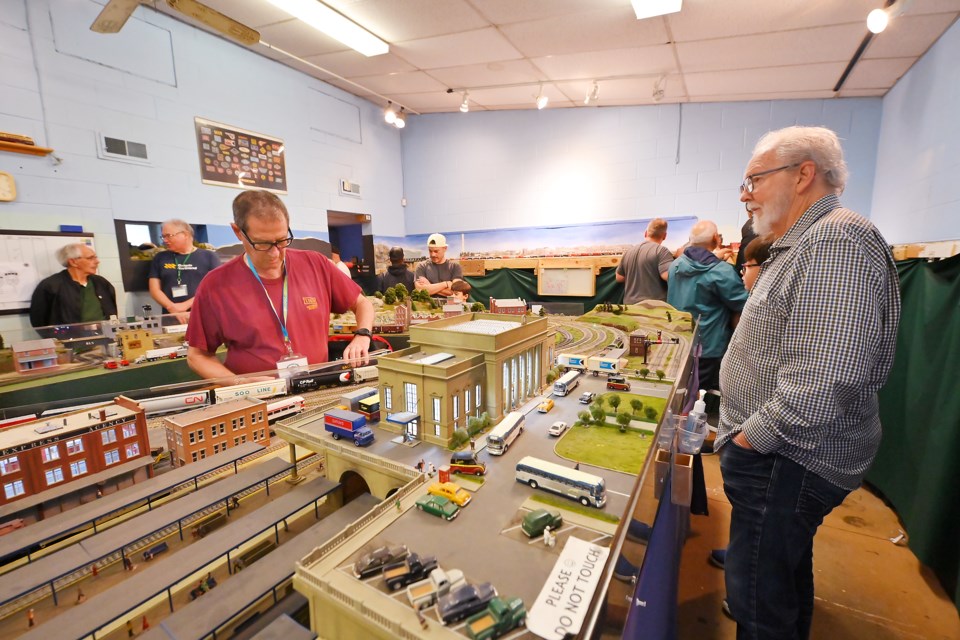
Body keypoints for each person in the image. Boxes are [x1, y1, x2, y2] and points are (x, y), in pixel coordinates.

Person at [717, 126, 900, 639]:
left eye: (754, 179)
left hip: (786, 459)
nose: (745, 193)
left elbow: (829, 376)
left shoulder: (835, 240)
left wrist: (751, 440)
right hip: (783, 458)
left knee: (757, 603)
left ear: (803, 175)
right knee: (782, 580)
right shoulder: (802, 243)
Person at [185, 190, 374, 379]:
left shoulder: (316, 264)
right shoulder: (215, 285)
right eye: (263, 244)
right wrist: (238, 384)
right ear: (238, 232)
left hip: (317, 388)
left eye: (282, 240)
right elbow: (197, 356)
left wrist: (363, 335)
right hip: (257, 399)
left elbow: (362, 303)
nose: (275, 253)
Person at [667, 220, 748, 411]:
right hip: (708, 345)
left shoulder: (676, 265)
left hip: (678, 341)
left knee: (679, 390)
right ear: (715, 238)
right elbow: (743, 302)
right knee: (696, 396)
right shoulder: (722, 271)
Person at [29, 243, 117, 329]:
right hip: (70, 341)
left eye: (95, 257)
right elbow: (39, 322)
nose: (97, 261)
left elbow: (112, 311)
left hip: (104, 338)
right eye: (90, 258)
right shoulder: (51, 286)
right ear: (73, 262)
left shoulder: (101, 282)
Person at [148, 219, 220, 323]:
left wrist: (185, 306)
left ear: (185, 234)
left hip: (202, 316)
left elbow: (215, 289)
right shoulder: (160, 258)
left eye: (168, 236)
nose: (165, 240)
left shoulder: (209, 256)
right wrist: (172, 308)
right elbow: (154, 290)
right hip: (171, 317)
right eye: (163, 236)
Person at [616, 218, 674, 304]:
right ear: (664, 236)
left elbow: (619, 278)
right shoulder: (662, 251)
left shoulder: (629, 252)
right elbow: (667, 276)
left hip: (630, 308)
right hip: (653, 309)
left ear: (645, 233)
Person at [414, 233, 462, 298]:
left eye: (436, 251)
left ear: (445, 249)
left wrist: (429, 286)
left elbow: (456, 292)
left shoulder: (455, 267)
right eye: (430, 251)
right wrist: (446, 284)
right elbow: (420, 290)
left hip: (450, 306)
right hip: (427, 306)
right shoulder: (421, 266)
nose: (433, 254)